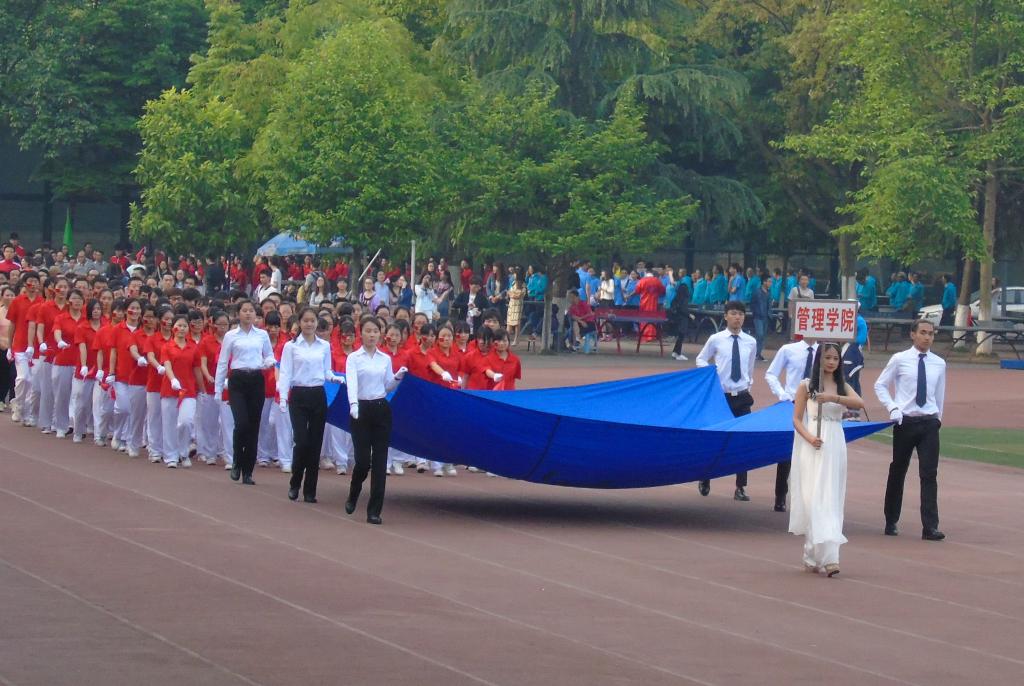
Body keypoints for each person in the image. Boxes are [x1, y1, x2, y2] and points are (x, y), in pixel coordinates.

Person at [789, 343, 864, 576]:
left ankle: (831, 557)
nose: (831, 362)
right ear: (819, 360)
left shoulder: (843, 386)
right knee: (814, 498)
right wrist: (810, 438)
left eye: (835, 358)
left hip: (835, 442)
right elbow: (796, 419)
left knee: (831, 497)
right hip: (814, 442)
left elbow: (859, 403)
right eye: (827, 357)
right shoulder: (806, 386)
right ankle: (812, 553)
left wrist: (833, 397)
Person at [873, 319, 946, 541]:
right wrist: (893, 407)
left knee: (929, 473)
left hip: (929, 423)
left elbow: (940, 394)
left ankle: (930, 527)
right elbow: (880, 385)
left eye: (931, 333)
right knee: (898, 470)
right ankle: (891, 519)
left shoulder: (939, 363)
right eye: (923, 332)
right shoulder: (900, 359)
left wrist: (937, 419)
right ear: (913, 334)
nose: (927, 337)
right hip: (905, 422)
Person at [278, 307, 345, 502]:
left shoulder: (324, 346)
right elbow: (285, 373)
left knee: (315, 444)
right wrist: (283, 397)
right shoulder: (291, 347)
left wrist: (334, 378)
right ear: (299, 322)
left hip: (317, 395)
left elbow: (326, 371)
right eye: (305, 320)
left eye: (312, 321)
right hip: (298, 395)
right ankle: (295, 482)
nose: (309, 324)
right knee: (301, 442)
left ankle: (310, 490)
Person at [345, 316, 406, 525]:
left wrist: (397, 377)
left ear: (381, 334)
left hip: (381, 408)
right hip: (360, 409)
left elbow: (387, 386)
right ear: (361, 333)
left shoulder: (385, 359)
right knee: (363, 461)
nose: (372, 335)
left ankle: (374, 511)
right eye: (368, 331)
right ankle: (354, 491)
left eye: (375, 331)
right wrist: (353, 404)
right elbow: (351, 383)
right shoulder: (354, 358)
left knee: (380, 462)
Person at [695, 301, 756, 501]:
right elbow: (701, 358)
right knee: (715, 438)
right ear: (726, 316)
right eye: (734, 313)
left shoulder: (750, 342)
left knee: (743, 441)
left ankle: (740, 487)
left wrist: (748, 384)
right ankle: (705, 476)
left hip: (742, 397)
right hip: (721, 397)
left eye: (741, 314)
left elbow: (750, 368)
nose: (737, 317)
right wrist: (710, 374)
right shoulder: (716, 339)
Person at [215, 299, 275, 485]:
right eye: (245, 310)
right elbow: (223, 362)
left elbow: (269, 355)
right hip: (238, 380)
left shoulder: (262, 335)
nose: (248, 313)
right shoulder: (231, 336)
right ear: (238, 314)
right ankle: (236, 461)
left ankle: (248, 470)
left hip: (256, 379)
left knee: (254, 426)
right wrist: (218, 388)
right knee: (241, 423)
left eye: (251, 311)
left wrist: (268, 362)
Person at [765, 339, 819, 512]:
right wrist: (782, 394)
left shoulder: (824, 351)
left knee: (813, 449)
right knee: (787, 452)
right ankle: (781, 495)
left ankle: (809, 498)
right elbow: (771, 374)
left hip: (815, 405)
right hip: (792, 404)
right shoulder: (788, 349)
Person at [159, 314, 200, 468]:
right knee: (169, 423)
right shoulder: (167, 347)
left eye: (184, 326)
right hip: (169, 390)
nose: (182, 329)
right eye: (179, 325)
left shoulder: (193, 347)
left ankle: (183, 452)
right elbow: (167, 365)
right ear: (173, 328)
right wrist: (173, 379)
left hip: (188, 390)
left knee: (186, 422)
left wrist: (202, 389)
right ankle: (170, 456)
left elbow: (197, 370)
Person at [750, 273, 770, 361]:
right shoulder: (757, 292)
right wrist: (755, 312)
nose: (770, 283)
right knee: (760, 334)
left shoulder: (768, 292)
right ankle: (755, 353)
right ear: (764, 282)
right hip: (758, 317)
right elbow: (752, 303)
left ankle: (758, 354)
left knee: (762, 336)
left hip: (766, 316)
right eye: (769, 281)